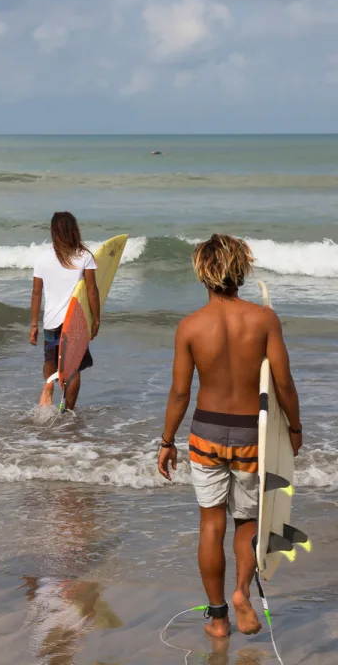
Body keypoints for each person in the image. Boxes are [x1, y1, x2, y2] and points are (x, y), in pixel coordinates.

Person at [157, 235, 303, 638]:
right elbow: (284, 383)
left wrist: (167, 441)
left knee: (210, 525)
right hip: (250, 436)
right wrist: (294, 427)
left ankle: (218, 619)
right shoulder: (263, 320)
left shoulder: (190, 326)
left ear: (202, 273)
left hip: (205, 434)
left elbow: (180, 393)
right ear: (241, 270)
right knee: (247, 520)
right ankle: (241, 592)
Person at [29, 212, 100, 411]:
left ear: (53, 232)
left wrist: (34, 324)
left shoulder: (42, 258)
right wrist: (96, 319)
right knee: (73, 368)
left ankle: (49, 385)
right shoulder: (84, 256)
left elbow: (36, 293)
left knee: (50, 359)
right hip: (75, 322)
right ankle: (68, 411)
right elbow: (92, 291)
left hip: (52, 321)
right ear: (74, 230)